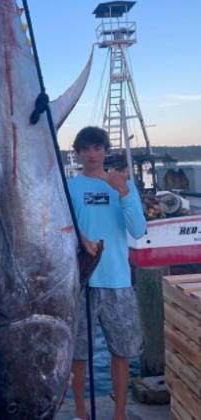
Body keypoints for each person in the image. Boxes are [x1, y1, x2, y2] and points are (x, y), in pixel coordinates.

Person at [68, 126, 146, 420]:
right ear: (78, 153)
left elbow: (138, 229)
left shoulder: (123, 185)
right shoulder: (69, 187)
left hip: (118, 280)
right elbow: (60, 229)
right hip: (80, 282)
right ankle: (79, 412)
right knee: (77, 353)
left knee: (121, 351)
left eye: (97, 148)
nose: (92, 154)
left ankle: (120, 414)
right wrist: (79, 239)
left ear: (105, 151)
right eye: (85, 149)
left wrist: (123, 191)